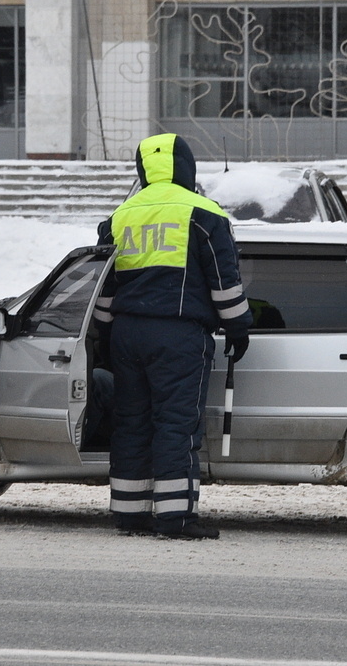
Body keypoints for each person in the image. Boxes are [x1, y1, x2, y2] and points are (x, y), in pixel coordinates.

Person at [94, 133, 252, 540]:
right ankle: (176, 517)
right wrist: (238, 327)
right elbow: (224, 282)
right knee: (176, 425)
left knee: (131, 423)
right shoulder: (203, 213)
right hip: (179, 334)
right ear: (186, 166)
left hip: (127, 335)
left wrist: (103, 337)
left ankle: (129, 513)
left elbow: (104, 289)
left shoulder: (121, 216)